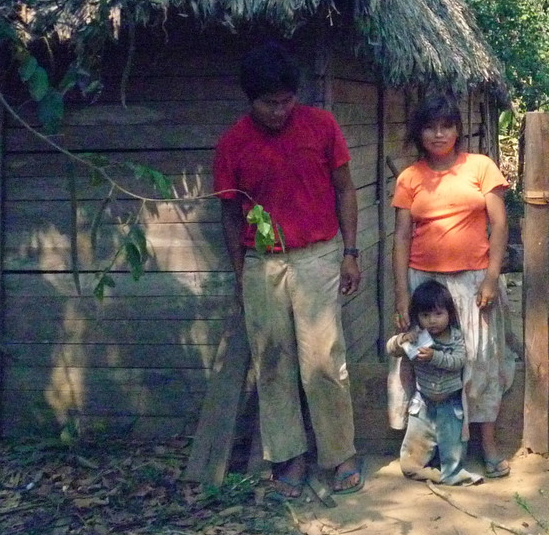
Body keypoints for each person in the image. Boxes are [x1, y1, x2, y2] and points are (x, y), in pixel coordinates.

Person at [213, 42, 364, 497]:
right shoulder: (232, 144)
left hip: (318, 255)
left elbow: (346, 190)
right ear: (250, 99)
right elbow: (229, 214)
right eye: (269, 103)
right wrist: (242, 273)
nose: (280, 111)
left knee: (322, 362)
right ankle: (289, 459)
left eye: (286, 101)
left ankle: (340, 455)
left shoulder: (321, 126)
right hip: (262, 262)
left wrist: (351, 251)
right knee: (273, 363)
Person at [392, 93, 515, 478]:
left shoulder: (480, 167)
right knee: (423, 365)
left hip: (474, 282)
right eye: (430, 127)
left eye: (446, 126)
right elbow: (400, 238)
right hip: (425, 287)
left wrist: (492, 278)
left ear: (459, 130)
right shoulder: (409, 178)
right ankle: (428, 447)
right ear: (419, 132)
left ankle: (488, 446)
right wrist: (401, 296)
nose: (439, 134)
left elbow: (500, 224)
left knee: (478, 361)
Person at [386, 280, 483, 485]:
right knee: (410, 462)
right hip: (423, 405)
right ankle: (431, 474)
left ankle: (452, 473)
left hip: (450, 404)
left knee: (453, 451)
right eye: (425, 315)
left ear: (449, 314)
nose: (432, 321)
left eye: (439, 314)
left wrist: (434, 357)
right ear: (417, 317)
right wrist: (402, 338)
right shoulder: (417, 336)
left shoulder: (455, 337)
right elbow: (391, 349)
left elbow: (458, 361)